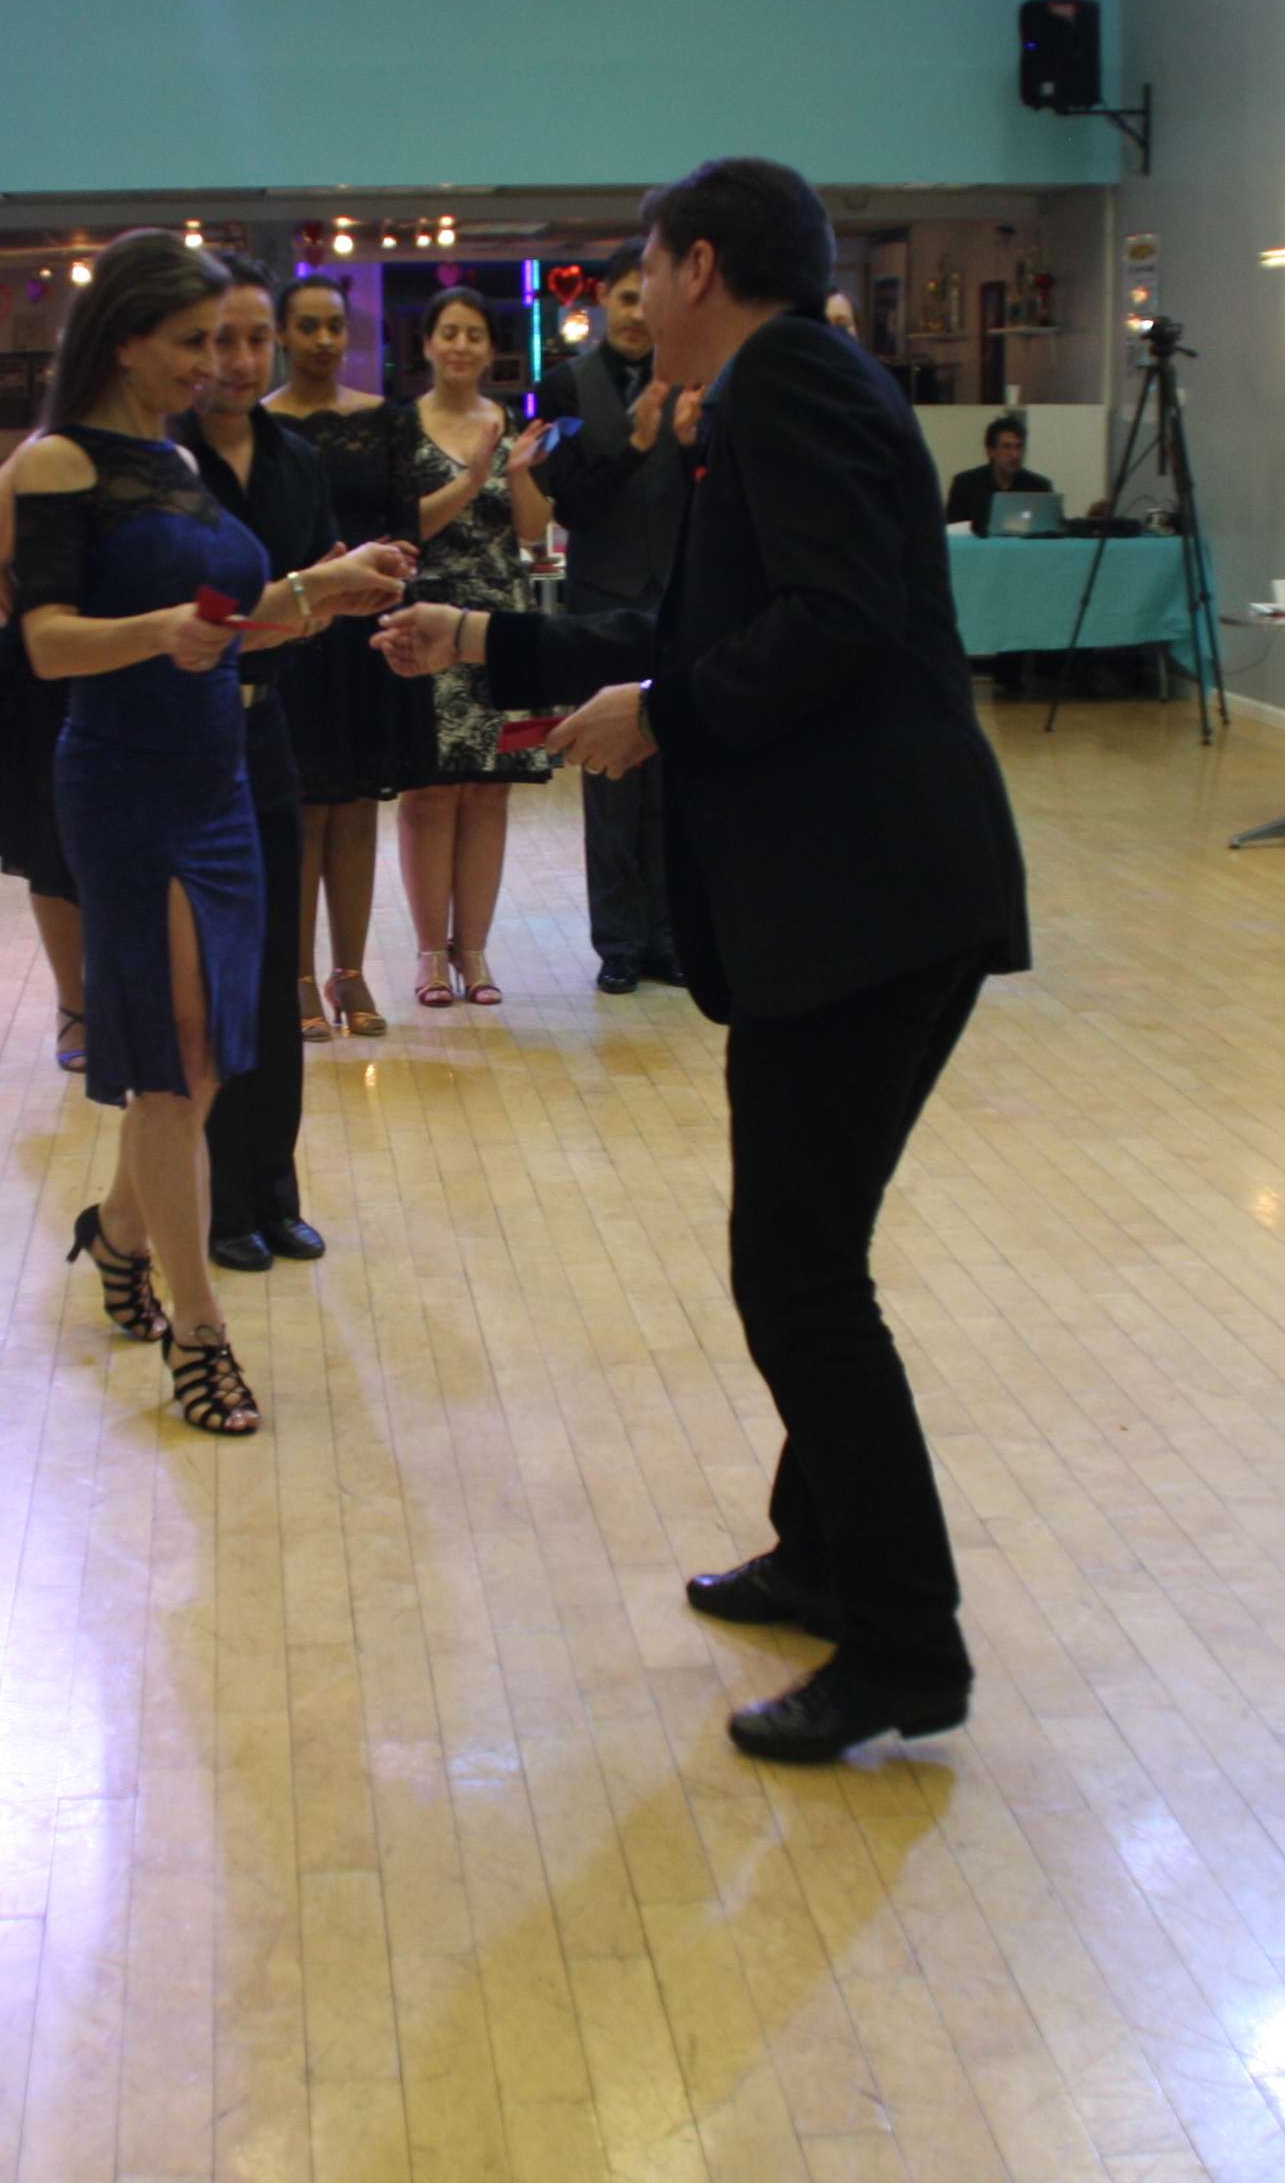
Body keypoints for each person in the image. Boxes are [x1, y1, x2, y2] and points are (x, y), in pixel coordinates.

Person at [379, 158, 1027, 1763]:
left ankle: (906, 1647)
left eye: (647, 269)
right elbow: (691, 626)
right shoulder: (783, 389)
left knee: (800, 1280)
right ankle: (827, 1553)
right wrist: (479, 642)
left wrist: (661, 718)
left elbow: (835, 625)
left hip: (869, 909)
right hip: (863, 905)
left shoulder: (790, 390)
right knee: (803, 1261)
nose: (633, 299)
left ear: (702, 268)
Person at [17, 232, 410, 1437]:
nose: (212, 362)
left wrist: (320, 590)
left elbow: (231, 624)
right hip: (128, 782)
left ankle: (123, 1236)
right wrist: (156, 636)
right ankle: (200, 1333)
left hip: (222, 776)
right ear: (126, 337)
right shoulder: (56, 464)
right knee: (179, 1057)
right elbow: (41, 641)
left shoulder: (177, 459)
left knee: (207, 1058)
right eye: (190, 341)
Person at [174, 257, 352, 1271]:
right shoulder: (161, 461)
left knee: (279, 966)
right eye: (217, 340)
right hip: (184, 736)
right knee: (209, 977)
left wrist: (313, 601)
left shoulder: (293, 456)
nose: (236, 361)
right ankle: (219, 1197)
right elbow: (204, 615)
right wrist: (293, 604)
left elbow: (313, 605)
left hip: (269, 730)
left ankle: (275, 1185)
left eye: (252, 341)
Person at [532, 242, 694, 992]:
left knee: (676, 769)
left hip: (682, 601)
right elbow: (571, 501)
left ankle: (669, 936)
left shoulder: (696, 375)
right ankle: (620, 944)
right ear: (602, 303)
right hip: (602, 599)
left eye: (644, 298)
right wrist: (633, 444)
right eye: (622, 299)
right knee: (610, 776)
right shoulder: (565, 384)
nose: (635, 314)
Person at [392, 285, 555, 1009]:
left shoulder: (512, 424)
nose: (461, 346)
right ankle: (430, 955)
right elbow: (407, 527)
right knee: (429, 793)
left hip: (501, 616)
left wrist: (516, 473)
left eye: (475, 335)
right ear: (426, 345)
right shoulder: (399, 429)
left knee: (488, 794)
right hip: (425, 619)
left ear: (492, 350)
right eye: (448, 333)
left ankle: (476, 953)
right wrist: (471, 477)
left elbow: (528, 532)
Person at [267, 274, 419, 1041]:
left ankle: (350, 970)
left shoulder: (383, 420)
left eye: (336, 327)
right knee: (300, 814)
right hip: (289, 637)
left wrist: (386, 561)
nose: (325, 340)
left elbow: (406, 529)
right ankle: (295, 974)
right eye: (309, 327)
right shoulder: (258, 428)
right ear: (283, 337)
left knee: (356, 809)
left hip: (360, 638)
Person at [0, 456, 92, 1074]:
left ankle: (128, 997)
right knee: (50, 840)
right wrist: (38, 630)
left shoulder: (163, 449)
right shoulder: (34, 458)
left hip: (138, 661)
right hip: (48, 674)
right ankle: (75, 1005)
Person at [942, 414, 1055, 533]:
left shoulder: (1039, 487)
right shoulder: (965, 485)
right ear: (991, 451)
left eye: (1019, 447)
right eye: (1007, 447)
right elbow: (952, 531)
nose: (1015, 455)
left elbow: (1052, 531)